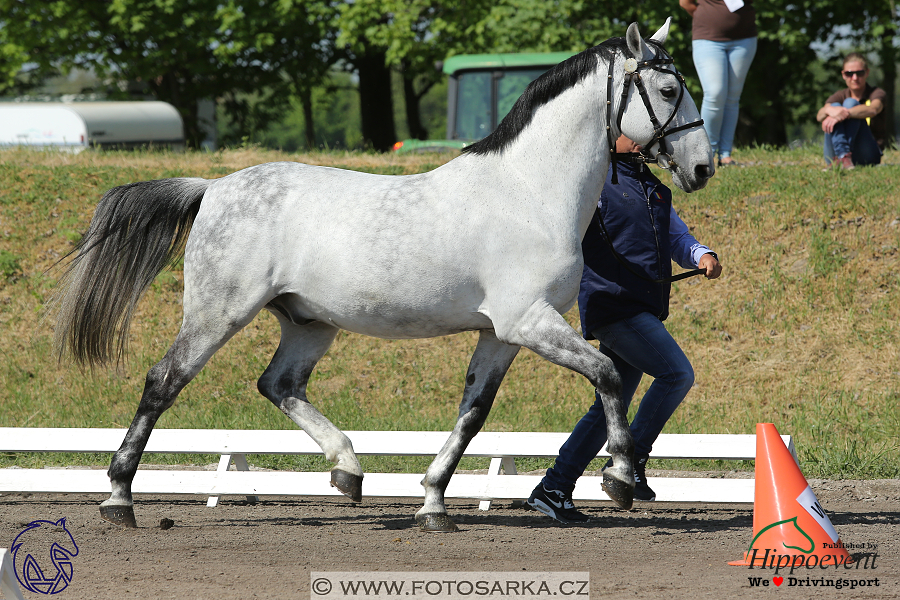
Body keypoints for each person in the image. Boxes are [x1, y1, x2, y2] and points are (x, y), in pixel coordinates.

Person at [527, 135, 722, 524]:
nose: (639, 140)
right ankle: (630, 457)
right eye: (629, 133)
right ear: (608, 137)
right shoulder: (592, 183)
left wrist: (700, 253)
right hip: (614, 305)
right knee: (676, 374)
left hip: (641, 304)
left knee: (606, 410)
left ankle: (553, 488)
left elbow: (675, 236)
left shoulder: (651, 186)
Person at [679, 0, 757, 167]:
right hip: (708, 38)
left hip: (745, 39)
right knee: (714, 94)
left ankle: (725, 154)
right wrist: (707, 17)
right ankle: (706, 153)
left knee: (732, 97)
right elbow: (685, 3)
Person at [817, 52, 886, 169]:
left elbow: (873, 109)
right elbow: (819, 116)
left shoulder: (877, 93)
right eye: (849, 74)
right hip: (834, 156)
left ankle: (844, 155)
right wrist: (830, 111)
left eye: (859, 73)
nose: (855, 78)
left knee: (850, 103)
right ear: (843, 75)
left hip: (867, 154)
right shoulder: (839, 95)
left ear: (867, 73)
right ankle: (842, 157)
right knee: (833, 106)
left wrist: (844, 113)